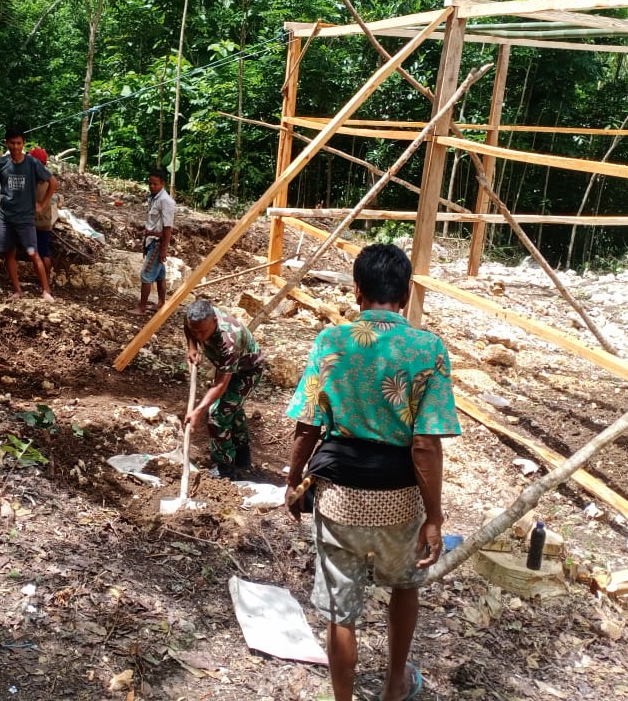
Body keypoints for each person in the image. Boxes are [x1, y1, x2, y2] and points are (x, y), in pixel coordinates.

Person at [283, 243, 460, 701]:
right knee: (405, 585)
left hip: (338, 494)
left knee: (342, 612)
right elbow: (425, 443)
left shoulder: (331, 341)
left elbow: (307, 425)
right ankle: (394, 685)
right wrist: (435, 517)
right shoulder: (427, 348)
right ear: (404, 296)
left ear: (357, 292)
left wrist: (292, 481)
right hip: (398, 498)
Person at [182, 298, 265, 478]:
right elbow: (188, 327)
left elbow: (220, 385)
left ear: (214, 321)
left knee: (217, 414)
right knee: (231, 408)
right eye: (194, 331)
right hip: (227, 367)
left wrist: (198, 411)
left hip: (247, 371)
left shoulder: (230, 340)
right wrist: (191, 348)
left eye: (202, 332)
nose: (198, 335)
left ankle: (225, 468)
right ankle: (242, 456)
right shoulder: (195, 318)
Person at [0, 128, 57, 302]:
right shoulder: (2, 162)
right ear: (6, 143)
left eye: (19, 143)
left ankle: (46, 291)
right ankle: (17, 290)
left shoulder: (32, 163)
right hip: (6, 218)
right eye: (12, 143)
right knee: (9, 254)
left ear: (23, 144)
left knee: (33, 253)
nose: (15, 147)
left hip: (25, 219)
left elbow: (53, 182)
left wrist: (42, 204)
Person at [132, 168, 175, 315]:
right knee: (159, 275)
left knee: (146, 274)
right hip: (151, 240)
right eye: (150, 183)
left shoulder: (166, 201)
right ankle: (162, 303)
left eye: (155, 184)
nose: (151, 186)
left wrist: (164, 249)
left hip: (157, 243)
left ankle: (142, 307)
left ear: (162, 183)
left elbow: (167, 228)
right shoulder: (153, 197)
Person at [29, 147, 59, 281]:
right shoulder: (48, 179)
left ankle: (42, 278)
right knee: (44, 252)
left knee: (35, 252)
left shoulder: (32, 179)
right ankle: (46, 278)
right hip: (46, 221)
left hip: (33, 222)